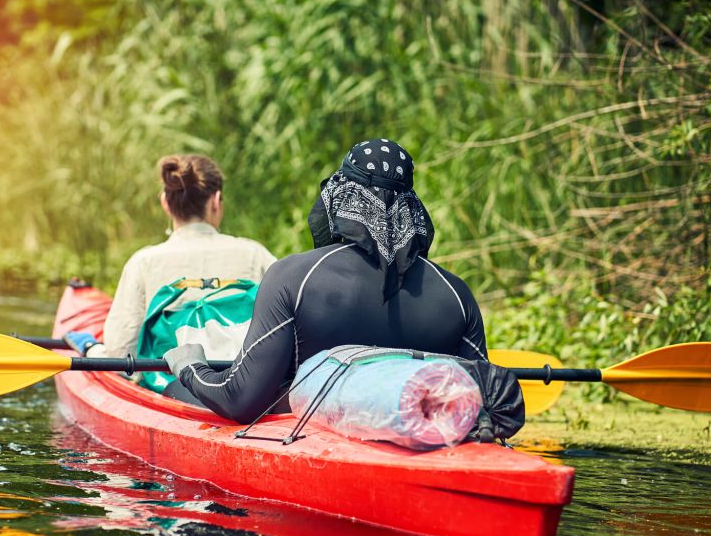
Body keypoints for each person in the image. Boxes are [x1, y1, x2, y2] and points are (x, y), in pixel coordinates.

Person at [164, 139, 488, 424]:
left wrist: (190, 366)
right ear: (410, 208)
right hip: (422, 433)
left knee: (174, 388)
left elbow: (238, 401)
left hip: (308, 431)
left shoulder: (294, 277)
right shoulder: (456, 293)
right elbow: (485, 397)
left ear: (339, 198)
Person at [83, 154, 276, 362]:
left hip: (170, 385)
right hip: (246, 384)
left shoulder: (143, 263)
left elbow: (121, 353)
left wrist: (92, 349)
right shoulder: (255, 255)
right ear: (216, 201)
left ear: (165, 203)